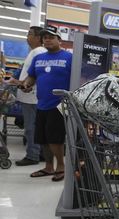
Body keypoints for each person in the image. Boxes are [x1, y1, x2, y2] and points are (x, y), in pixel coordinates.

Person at [21, 25, 72, 182]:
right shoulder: (38, 58)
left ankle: (61, 166)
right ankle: (49, 167)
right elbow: (32, 77)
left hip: (59, 105)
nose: (47, 40)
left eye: (51, 37)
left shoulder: (69, 57)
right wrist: (26, 84)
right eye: (45, 37)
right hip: (41, 103)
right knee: (42, 139)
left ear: (59, 40)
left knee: (55, 139)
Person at [7, 26, 47, 166]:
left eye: (30, 34)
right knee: (35, 127)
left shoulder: (38, 52)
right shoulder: (35, 52)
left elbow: (35, 76)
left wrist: (18, 82)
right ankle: (40, 154)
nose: (27, 36)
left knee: (31, 128)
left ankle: (32, 156)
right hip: (30, 96)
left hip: (31, 97)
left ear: (38, 38)